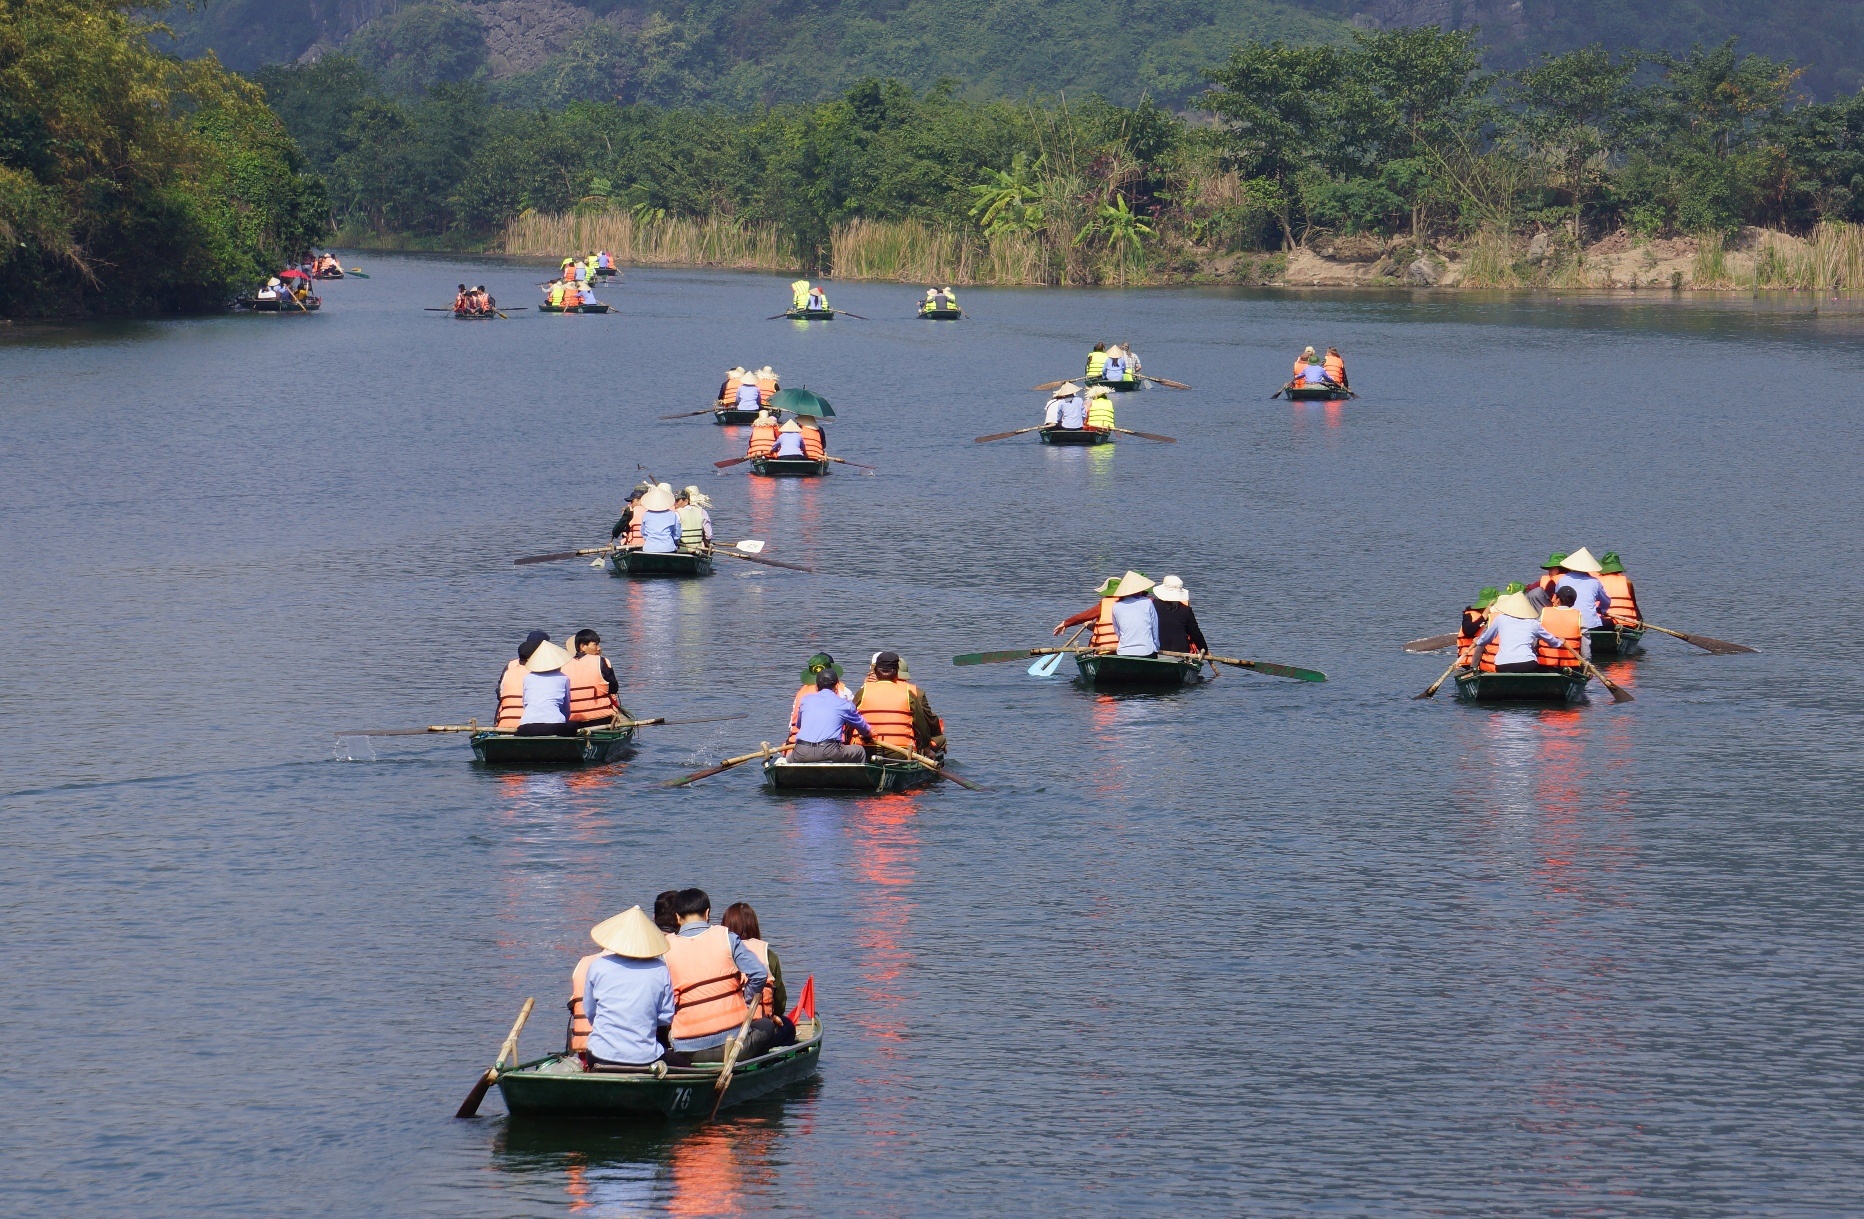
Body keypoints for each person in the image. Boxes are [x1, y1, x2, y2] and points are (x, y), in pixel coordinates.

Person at [662, 888, 775, 1064]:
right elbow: (759, 974)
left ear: (677, 917)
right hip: (733, 1045)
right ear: (707, 913)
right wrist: (746, 999)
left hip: (687, 1049)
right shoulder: (726, 937)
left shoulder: (665, 949)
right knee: (767, 1026)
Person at [577, 906, 677, 1070]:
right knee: (684, 1064)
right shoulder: (659, 969)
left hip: (599, 1053)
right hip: (645, 1056)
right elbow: (666, 1016)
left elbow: (590, 1011)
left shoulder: (598, 966)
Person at [721, 902, 795, 1046]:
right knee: (789, 1027)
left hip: (724, 1026)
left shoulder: (720, 954)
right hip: (759, 1027)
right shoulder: (768, 956)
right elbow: (780, 1003)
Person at [854, 651, 945, 755]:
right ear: (896, 672)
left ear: (875, 671)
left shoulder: (863, 690)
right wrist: (925, 748)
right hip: (899, 752)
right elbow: (921, 725)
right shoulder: (909, 693)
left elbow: (849, 719)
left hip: (865, 750)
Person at [790, 668, 876, 762]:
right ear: (836, 686)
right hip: (829, 751)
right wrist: (868, 733)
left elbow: (799, 725)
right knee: (860, 751)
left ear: (816, 687)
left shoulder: (805, 700)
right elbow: (863, 727)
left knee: (788, 758)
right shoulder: (844, 705)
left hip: (801, 751)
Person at [1467, 591, 1564, 672]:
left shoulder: (1500, 619)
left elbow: (1486, 639)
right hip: (1528, 664)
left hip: (1503, 664)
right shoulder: (1533, 623)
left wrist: (1477, 641)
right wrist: (1560, 641)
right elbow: (1553, 642)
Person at [517, 639, 579, 736]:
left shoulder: (527, 677)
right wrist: (565, 721)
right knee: (573, 726)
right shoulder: (563, 678)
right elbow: (566, 707)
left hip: (527, 726)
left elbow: (525, 704)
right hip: (555, 725)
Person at [566, 629, 627, 725]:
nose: (599, 648)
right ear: (582, 646)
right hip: (601, 718)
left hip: (573, 719)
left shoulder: (563, 665)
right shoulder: (602, 661)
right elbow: (613, 688)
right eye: (595, 645)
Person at [788, 653, 852, 742]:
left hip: (799, 744)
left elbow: (794, 724)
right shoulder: (844, 691)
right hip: (832, 745)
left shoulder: (801, 694)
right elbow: (854, 717)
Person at [495, 630, 549, 730]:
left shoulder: (510, 666)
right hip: (531, 723)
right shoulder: (544, 668)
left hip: (505, 721)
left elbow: (500, 694)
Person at [1053, 576, 1122, 650]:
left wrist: (1065, 623)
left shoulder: (1104, 605)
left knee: (1092, 641)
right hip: (1124, 649)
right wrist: (1089, 625)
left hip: (1104, 649)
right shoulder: (1130, 605)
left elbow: (1083, 616)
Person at [1553, 546, 1612, 629]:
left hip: (1567, 622)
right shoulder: (1595, 582)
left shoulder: (1562, 580)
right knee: (1609, 623)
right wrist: (1601, 610)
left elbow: (1556, 601)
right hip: (1590, 625)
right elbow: (1606, 602)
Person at [1108, 570, 1160, 656]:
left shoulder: (1116, 606)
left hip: (1124, 651)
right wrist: (1156, 648)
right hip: (1146, 651)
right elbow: (1154, 629)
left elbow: (1117, 631)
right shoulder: (1147, 602)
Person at [1151, 576, 1208, 654]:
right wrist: (1204, 648)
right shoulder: (1186, 610)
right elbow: (1195, 633)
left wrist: (1204, 649)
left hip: (1156, 650)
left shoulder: (1152, 605)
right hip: (1180, 652)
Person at [1536, 586, 1587, 668]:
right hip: (1571, 667)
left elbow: (1534, 639)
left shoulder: (1544, 612)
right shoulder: (1579, 616)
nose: (1552, 600)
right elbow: (1585, 644)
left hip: (1544, 665)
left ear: (1558, 599)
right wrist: (1586, 663)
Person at [1457, 587, 1500, 668]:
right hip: (1468, 664)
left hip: (1486, 664)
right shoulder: (1469, 615)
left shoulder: (1495, 617)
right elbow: (1468, 631)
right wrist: (1483, 617)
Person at [1597, 552, 1641, 627]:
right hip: (1628, 622)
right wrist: (1640, 621)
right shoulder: (1628, 582)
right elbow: (1634, 604)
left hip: (1605, 622)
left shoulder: (1597, 582)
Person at [636, 486, 681, 553]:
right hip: (668, 548)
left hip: (649, 548)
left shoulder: (646, 514)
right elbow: (677, 534)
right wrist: (673, 541)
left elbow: (643, 532)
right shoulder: (672, 514)